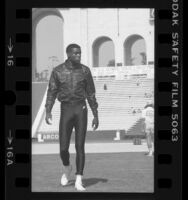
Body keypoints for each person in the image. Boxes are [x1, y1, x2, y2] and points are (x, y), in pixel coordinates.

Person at [45, 44, 99, 191]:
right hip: (66, 109)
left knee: (79, 146)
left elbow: (91, 93)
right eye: (75, 53)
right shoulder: (57, 71)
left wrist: (95, 114)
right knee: (63, 148)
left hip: (81, 109)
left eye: (80, 53)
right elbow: (52, 92)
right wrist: (48, 109)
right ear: (68, 54)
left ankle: (79, 179)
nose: (79, 56)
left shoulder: (85, 70)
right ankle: (67, 167)